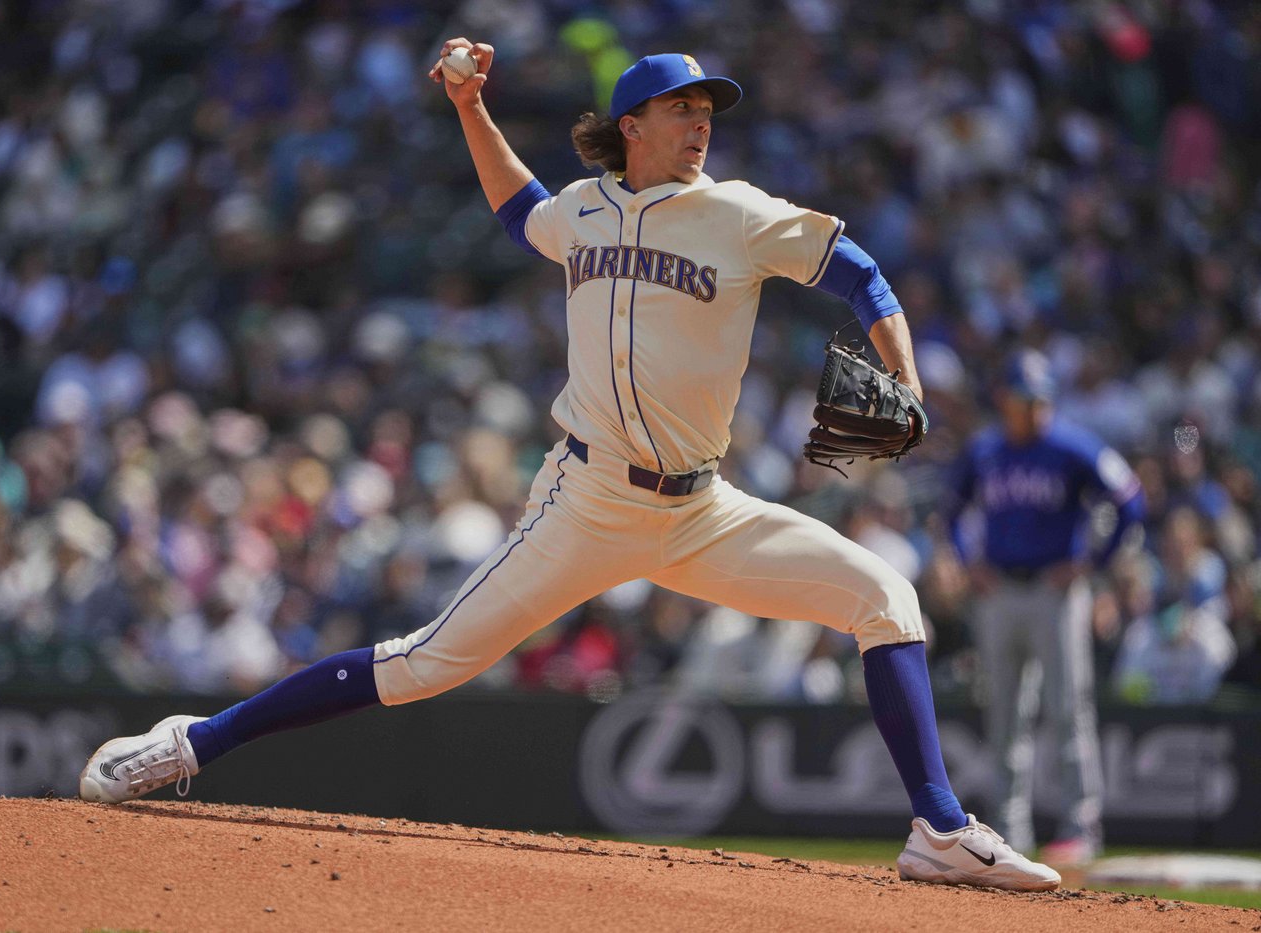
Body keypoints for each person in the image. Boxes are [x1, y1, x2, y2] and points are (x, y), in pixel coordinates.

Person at [79, 41, 1060, 892]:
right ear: (630, 123)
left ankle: (936, 826)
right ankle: (189, 744)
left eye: (705, 110)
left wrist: (905, 373)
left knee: (884, 596)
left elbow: (861, 274)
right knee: (424, 665)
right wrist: (469, 107)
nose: (699, 125)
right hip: (584, 500)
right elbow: (519, 208)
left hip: (701, 510)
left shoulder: (740, 216)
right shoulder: (583, 213)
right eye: (681, 109)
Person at [945, 348, 1145, 867]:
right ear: (1003, 399)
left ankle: (1082, 827)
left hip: (1055, 593)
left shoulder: (1070, 445)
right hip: (1000, 594)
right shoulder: (986, 450)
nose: (1033, 409)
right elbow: (950, 509)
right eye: (1023, 399)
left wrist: (1091, 564)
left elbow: (1129, 497)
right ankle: (1009, 830)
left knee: (1066, 710)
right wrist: (970, 564)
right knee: (1006, 717)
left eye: (1039, 400)